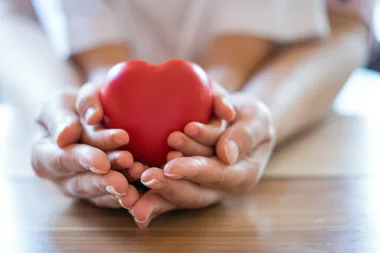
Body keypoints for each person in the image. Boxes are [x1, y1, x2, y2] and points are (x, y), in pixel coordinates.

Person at [5, 0, 371, 228]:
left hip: (303, 151)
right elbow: (13, 18)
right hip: (54, 88)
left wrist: (257, 118)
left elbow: (347, 21)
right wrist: (62, 114)